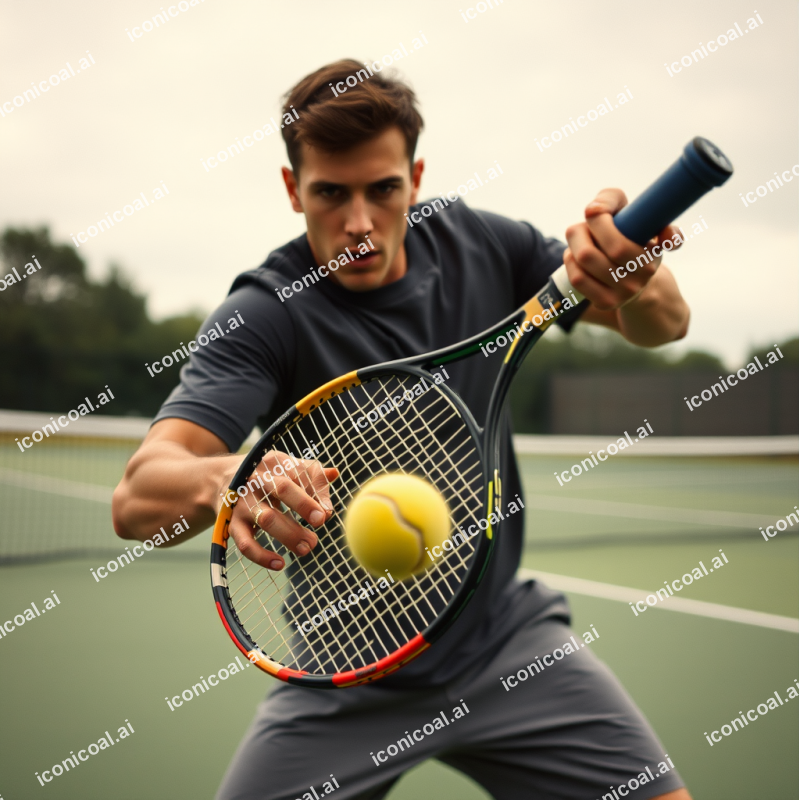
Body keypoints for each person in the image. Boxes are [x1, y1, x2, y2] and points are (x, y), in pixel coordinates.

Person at [113, 60, 692, 800]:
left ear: (414, 179)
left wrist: (637, 279)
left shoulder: (487, 248)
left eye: (382, 190)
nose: (359, 224)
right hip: (346, 673)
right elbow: (136, 499)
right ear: (293, 191)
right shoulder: (265, 314)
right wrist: (231, 475)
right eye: (331, 193)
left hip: (507, 646)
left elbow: (665, 323)